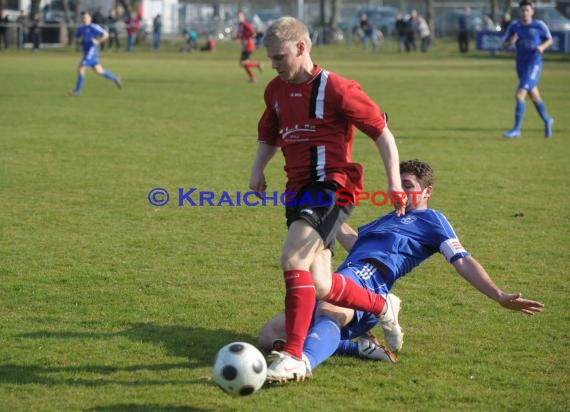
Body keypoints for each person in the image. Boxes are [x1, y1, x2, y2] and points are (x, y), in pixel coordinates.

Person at [259, 159, 545, 381]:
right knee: (268, 334)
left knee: (327, 311)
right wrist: (312, 213)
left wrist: (498, 295)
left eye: (408, 185)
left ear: (427, 191)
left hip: (370, 280)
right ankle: (357, 347)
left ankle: (303, 363)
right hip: (346, 276)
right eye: (399, 184)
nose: (401, 190)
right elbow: (351, 240)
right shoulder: (386, 218)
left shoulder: (431, 220)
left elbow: (463, 259)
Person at [249, 16, 406, 383]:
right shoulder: (274, 90)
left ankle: (292, 356)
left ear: (301, 48)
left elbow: (382, 134)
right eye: (270, 58)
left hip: (332, 186)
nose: (274, 65)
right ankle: (382, 305)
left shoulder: (337, 88)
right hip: (297, 191)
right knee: (320, 283)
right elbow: (269, 134)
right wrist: (257, 170)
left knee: (292, 258)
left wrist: (394, 183)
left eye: (280, 57)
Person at [502, 0, 554, 139]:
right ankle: (547, 120)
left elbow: (550, 40)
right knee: (534, 96)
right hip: (521, 65)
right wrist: (510, 42)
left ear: (532, 11)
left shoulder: (539, 25)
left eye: (527, 10)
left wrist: (542, 47)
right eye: (523, 10)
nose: (525, 12)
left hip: (534, 64)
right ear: (520, 11)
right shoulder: (514, 26)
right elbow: (504, 45)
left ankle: (516, 129)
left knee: (519, 95)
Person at [69, 11, 122, 97]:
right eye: (83, 18)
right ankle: (116, 78)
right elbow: (78, 38)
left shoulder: (94, 27)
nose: (84, 19)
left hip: (91, 52)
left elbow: (106, 34)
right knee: (99, 71)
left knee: (81, 68)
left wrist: (98, 41)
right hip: (86, 52)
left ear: (90, 18)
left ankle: (77, 91)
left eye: (86, 17)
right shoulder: (80, 29)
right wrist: (79, 40)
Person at [233, 10, 262, 83]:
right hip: (245, 46)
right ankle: (252, 78)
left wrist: (244, 36)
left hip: (249, 45)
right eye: (238, 16)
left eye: (240, 16)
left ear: (243, 17)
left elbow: (252, 32)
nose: (239, 18)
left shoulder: (245, 24)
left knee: (243, 63)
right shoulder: (240, 25)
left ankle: (258, 64)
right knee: (244, 63)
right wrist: (236, 37)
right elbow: (241, 35)